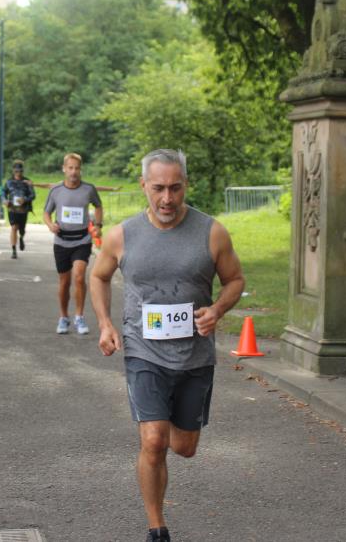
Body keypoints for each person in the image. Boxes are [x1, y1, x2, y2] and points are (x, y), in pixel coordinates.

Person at [90, 149, 245, 542]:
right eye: (158, 188)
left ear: (185, 185)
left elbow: (235, 280)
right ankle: (156, 527)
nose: (166, 198)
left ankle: (174, 425)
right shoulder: (122, 235)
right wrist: (106, 324)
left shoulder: (211, 232)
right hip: (143, 351)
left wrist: (217, 309)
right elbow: (99, 276)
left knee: (184, 447)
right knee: (154, 440)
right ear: (143, 185)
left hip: (194, 355)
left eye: (175, 188)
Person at [43, 152, 103, 335]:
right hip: (61, 241)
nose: (73, 171)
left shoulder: (89, 189)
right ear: (64, 169)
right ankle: (63, 317)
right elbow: (46, 213)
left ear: (80, 169)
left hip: (82, 240)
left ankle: (79, 316)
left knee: (78, 276)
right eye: (70, 168)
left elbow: (98, 206)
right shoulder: (56, 190)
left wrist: (98, 225)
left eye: (77, 168)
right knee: (64, 282)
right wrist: (50, 225)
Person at [2, 160, 36, 259]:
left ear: (22, 171)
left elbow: (33, 195)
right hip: (12, 209)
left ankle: (21, 237)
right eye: (16, 171)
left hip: (23, 210)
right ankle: (14, 251)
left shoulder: (27, 182)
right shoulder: (8, 182)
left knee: (22, 230)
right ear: (13, 171)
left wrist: (24, 199)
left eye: (20, 171)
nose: (18, 173)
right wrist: (4, 200)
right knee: (14, 228)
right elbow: (3, 193)